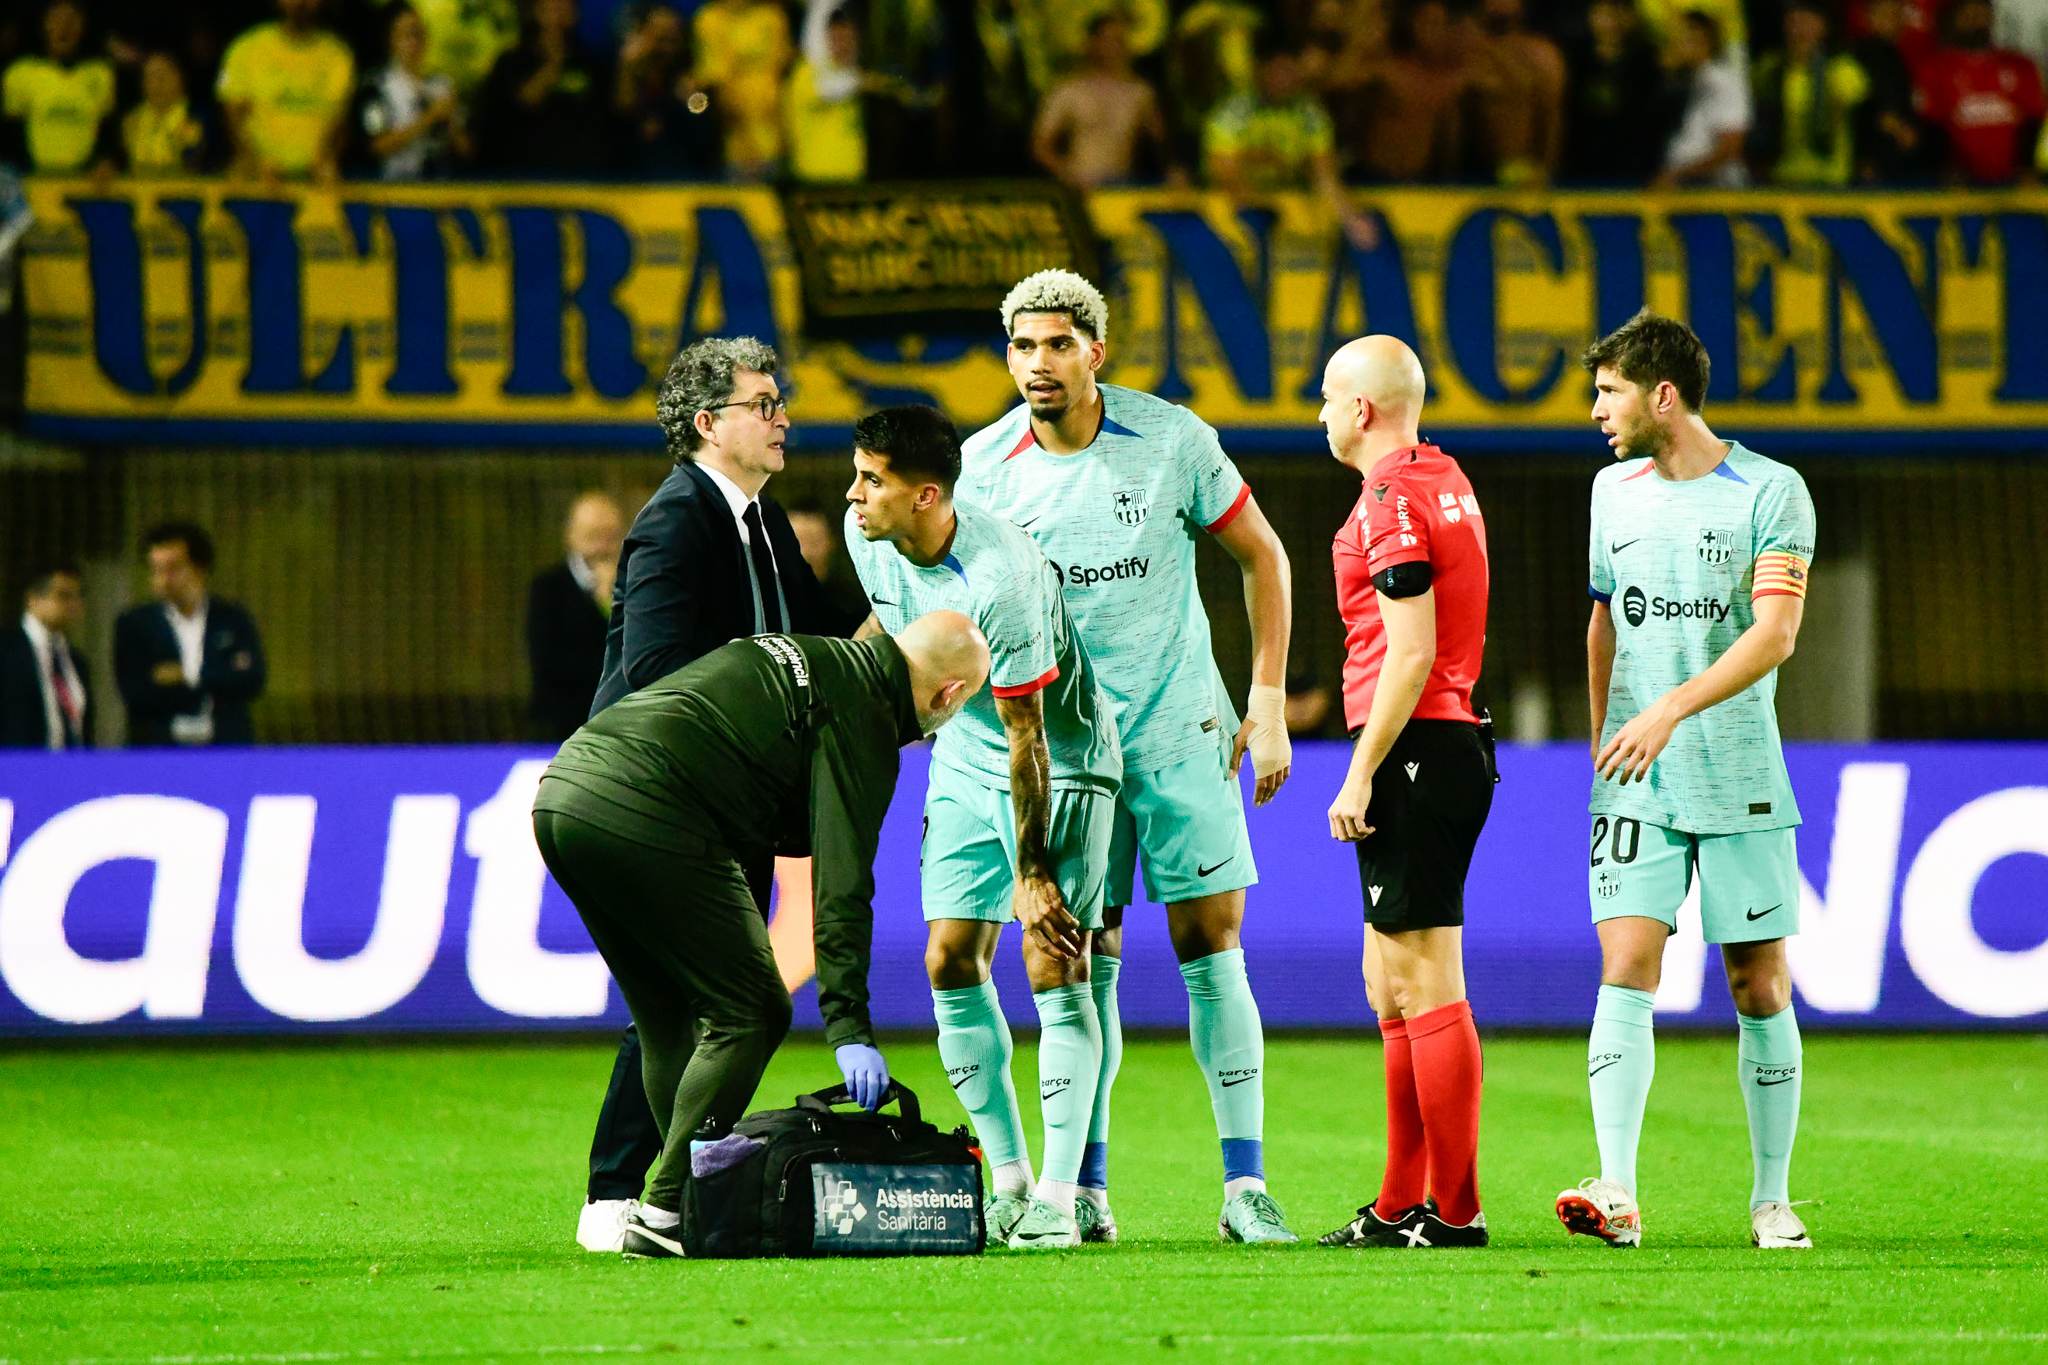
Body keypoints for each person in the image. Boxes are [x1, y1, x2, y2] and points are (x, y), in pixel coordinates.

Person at [959, 269, 1299, 1244]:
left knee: (1208, 944)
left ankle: (1244, 1191)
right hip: (1066, 750)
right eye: (1022, 346)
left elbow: (1262, 557)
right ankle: (1090, 1190)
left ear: (1094, 352)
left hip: (1178, 728)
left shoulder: (1171, 442)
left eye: (1058, 344)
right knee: (1083, 958)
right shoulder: (985, 467)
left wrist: (1266, 703)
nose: (1038, 364)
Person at [532, 611, 991, 1259]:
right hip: (648, 802)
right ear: (950, 695)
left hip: (564, 791)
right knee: (753, 1010)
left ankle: (690, 1205)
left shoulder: (817, 655)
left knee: (673, 1019)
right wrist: (850, 1029)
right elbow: (841, 884)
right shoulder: (865, 714)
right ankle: (666, 1207)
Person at [573, 336, 863, 1255]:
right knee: (693, 999)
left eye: (781, 401)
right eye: (764, 403)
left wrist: (915, 584)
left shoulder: (765, 522)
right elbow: (653, 671)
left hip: (731, 798)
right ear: (709, 424)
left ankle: (661, 1187)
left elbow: (824, 641)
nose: (783, 418)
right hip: (664, 795)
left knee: (695, 1001)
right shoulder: (674, 522)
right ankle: (623, 1191)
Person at [1555, 310, 1816, 1252]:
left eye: (1609, 391)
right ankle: (1617, 1190)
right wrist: (1603, 733)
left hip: (1739, 774)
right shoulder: (1610, 492)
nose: (1595, 410)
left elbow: (1774, 635)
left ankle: (1771, 1199)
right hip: (1636, 786)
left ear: (1663, 394)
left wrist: (1668, 709)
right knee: (1625, 966)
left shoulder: (1770, 491)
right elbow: (1603, 617)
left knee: (1758, 984)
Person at [843, 404, 1122, 1249]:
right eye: (856, 472)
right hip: (963, 756)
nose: (854, 495)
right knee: (948, 955)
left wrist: (1033, 871)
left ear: (926, 495)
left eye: (872, 480)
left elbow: (1030, 731)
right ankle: (1007, 1179)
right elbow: (883, 634)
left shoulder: (999, 579)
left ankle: (1065, 1198)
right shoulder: (869, 537)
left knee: (1052, 956)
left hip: (1061, 760)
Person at [1311, 336, 1495, 1251]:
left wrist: (1358, 770)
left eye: (1328, 396)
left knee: (1423, 978)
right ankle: (1398, 1203)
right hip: (1444, 742)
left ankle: (1454, 1212)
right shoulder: (1443, 476)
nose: (1319, 413)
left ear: (1363, 410)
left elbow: (1410, 648)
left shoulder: (1389, 497)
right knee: (1387, 979)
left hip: (1416, 745)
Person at [1205, 40, 1376, 250]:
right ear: (1261, 71)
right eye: (1279, 71)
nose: (1286, 79)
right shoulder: (1233, 112)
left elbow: (1325, 174)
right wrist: (1257, 217)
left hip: (1285, 211)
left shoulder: (1310, 113)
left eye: (1291, 71)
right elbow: (1225, 174)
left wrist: (1351, 219)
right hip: (1232, 217)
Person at [113, 522, 266, 748]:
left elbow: (251, 678)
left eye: (173, 569)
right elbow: (136, 693)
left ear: (200, 568)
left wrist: (189, 675)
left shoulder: (231, 619)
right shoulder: (134, 624)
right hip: (159, 750)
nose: (164, 580)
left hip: (226, 748)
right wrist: (219, 677)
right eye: (156, 570)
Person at [216, 0, 355, 183]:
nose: (301, 3)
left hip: (314, 182)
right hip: (256, 181)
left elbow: (339, 120)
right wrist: (254, 161)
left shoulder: (338, 55)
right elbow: (231, 115)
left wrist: (327, 160)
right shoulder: (246, 47)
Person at [527, 490, 626, 743]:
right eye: (593, 535)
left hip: (625, 720)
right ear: (571, 535)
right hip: (563, 725)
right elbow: (547, 659)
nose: (603, 545)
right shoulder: (549, 588)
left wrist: (612, 601)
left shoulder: (639, 584)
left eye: (610, 536)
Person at [471, 0, 613, 175]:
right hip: (522, 177)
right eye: (551, 10)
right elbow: (519, 106)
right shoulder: (512, 62)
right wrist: (553, 64)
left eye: (565, 8)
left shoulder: (592, 64)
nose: (558, 17)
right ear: (536, 13)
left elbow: (609, 117)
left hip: (583, 178)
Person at [1033, 14, 1171, 189]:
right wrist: (1068, 174)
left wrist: (1171, 171)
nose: (1113, 48)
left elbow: (1160, 143)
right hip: (1082, 187)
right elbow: (1040, 146)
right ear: (1092, 43)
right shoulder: (1068, 91)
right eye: (1107, 40)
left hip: (1122, 188)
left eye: (1118, 41)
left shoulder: (1139, 93)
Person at [1915, 0, 2045, 185]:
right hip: (1961, 186)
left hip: (2014, 184)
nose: (1975, 21)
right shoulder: (1935, 69)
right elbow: (1932, 124)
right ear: (1954, 19)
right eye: (1968, 15)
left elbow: (2034, 119)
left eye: (1981, 14)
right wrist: (1948, 167)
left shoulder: (2020, 65)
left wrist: (2027, 166)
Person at [1749, 0, 1869, 186]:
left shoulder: (1841, 67)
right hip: (1779, 178)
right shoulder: (1770, 67)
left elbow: (1853, 99)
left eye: (1808, 22)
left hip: (1828, 182)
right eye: (1793, 22)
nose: (1800, 30)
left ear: (1824, 27)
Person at [1563, 0, 1673, 184]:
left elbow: (1653, 118)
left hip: (1632, 165)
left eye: (1617, 15)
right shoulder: (1575, 59)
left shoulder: (1645, 62)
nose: (1611, 24)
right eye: (1604, 15)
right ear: (1591, 17)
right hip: (1583, 163)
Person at [356, 2, 470, 180]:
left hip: (442, 191)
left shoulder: (442, 85)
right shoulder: (378, 86)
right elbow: (377, 146)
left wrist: (451, 123)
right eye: (405, 35)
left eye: (418, 33)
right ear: (389, 40)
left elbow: (466, 150)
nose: (414, 42)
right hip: (397, 189)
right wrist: (428, 118)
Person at [2, 0, 116, 175]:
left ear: (82, 26)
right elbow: (10, 132)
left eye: (71, 19)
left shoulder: (100, 72)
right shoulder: (20, 72)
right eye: (57, 19)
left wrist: (104, 160)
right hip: (35, 179)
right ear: (45, 25)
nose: (64, 26)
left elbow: (108, 128)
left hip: (86, 182)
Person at [614, 0, 721, 180]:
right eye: (657, 36)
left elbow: (704, 133)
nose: (663, 47)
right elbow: (620, 113)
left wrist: (691, 99)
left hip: (683, 178)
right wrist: (627, 72)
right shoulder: (626, 71)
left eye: (671, 38)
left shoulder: (687, 77)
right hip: (628, 180)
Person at [691, 0, 792, 179]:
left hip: (776, 141)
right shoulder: (709, 19)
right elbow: (715, 83)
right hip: (735, 148)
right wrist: (746, 147)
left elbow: (783, 72)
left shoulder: (772, 16)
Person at [0, 561, 93, 751]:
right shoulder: (6, 652)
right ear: (33, 599)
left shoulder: (74, 660)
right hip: (18, 768)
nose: (73, 604)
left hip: (71, 769)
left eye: (78, 596)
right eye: (63, 595)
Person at [1472, 0, 1564, 185]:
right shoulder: (1461, 50)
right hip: (1457, 178)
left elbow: (1551, 118)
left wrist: (1546, 173)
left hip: (1523, 176)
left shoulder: (1541, 55)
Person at [1654, 11, 1750, 188]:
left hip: (1712, 193)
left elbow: (1730, 148)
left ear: (1700, 40)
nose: (1673, 45)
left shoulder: (1724, 81)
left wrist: (1679, 176)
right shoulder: (1688, 81)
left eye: (1679, 38)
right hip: (1683, 185)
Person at [782, 0, 866, 183]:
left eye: (850, 39)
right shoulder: (806, 73)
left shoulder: (846, 73)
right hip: (816, 181)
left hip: (850, 179)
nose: (845, 45)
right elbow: (830, 89)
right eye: (838, 39)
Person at [1849, 0, 1932, 183]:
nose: (1893, 20)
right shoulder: (1869, 51)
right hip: (1877, 158)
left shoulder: (1894, 53)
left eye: (1897, 15)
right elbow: (1871, 107)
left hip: (1893, 158)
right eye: (1885, 14)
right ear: (1868, 18)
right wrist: (1899, 129)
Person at [122, 50, 208, 175]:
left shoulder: (198, 117)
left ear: (181, 78)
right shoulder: (130, 120)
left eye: (162, 77)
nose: (157, 84)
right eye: (150, 77)